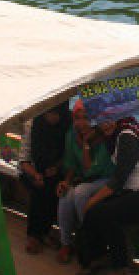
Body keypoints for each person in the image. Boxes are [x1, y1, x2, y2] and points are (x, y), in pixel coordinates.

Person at [76, 116, 139, 275]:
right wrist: (88, 142)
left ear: (120, 117)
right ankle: (97, 256)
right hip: (135, 194)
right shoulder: (115, 138)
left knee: (102, 212)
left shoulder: (127, 135)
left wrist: (92, 201)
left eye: (110, 118)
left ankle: (121, 269)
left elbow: (118, 180)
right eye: (101, 119)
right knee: (96, 211)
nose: (106, 123)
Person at [53, 100, 116, 263]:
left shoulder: (103, 136)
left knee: (80, 193)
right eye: (77, 118)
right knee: (65, 195)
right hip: (84, 179)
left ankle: (91, 242)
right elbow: (71, 163)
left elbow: (91, 170)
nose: (81, 123)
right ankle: (66, 243)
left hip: (105, 178)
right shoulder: (72, 135)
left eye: (86, 118)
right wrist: (66, 181)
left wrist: (87, 146)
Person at [19, 103, 72, 254]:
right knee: (39, 187)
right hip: (31, 168)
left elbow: (68, 153)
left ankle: (44, 231)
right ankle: (34, 234)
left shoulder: (67, 123)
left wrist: (57, 167)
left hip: (56, 169)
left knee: (54, 185)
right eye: (50, 113)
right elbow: (23, 160)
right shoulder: (32, 124)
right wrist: (35, 174)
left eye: (58, 114)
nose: (54, 118)